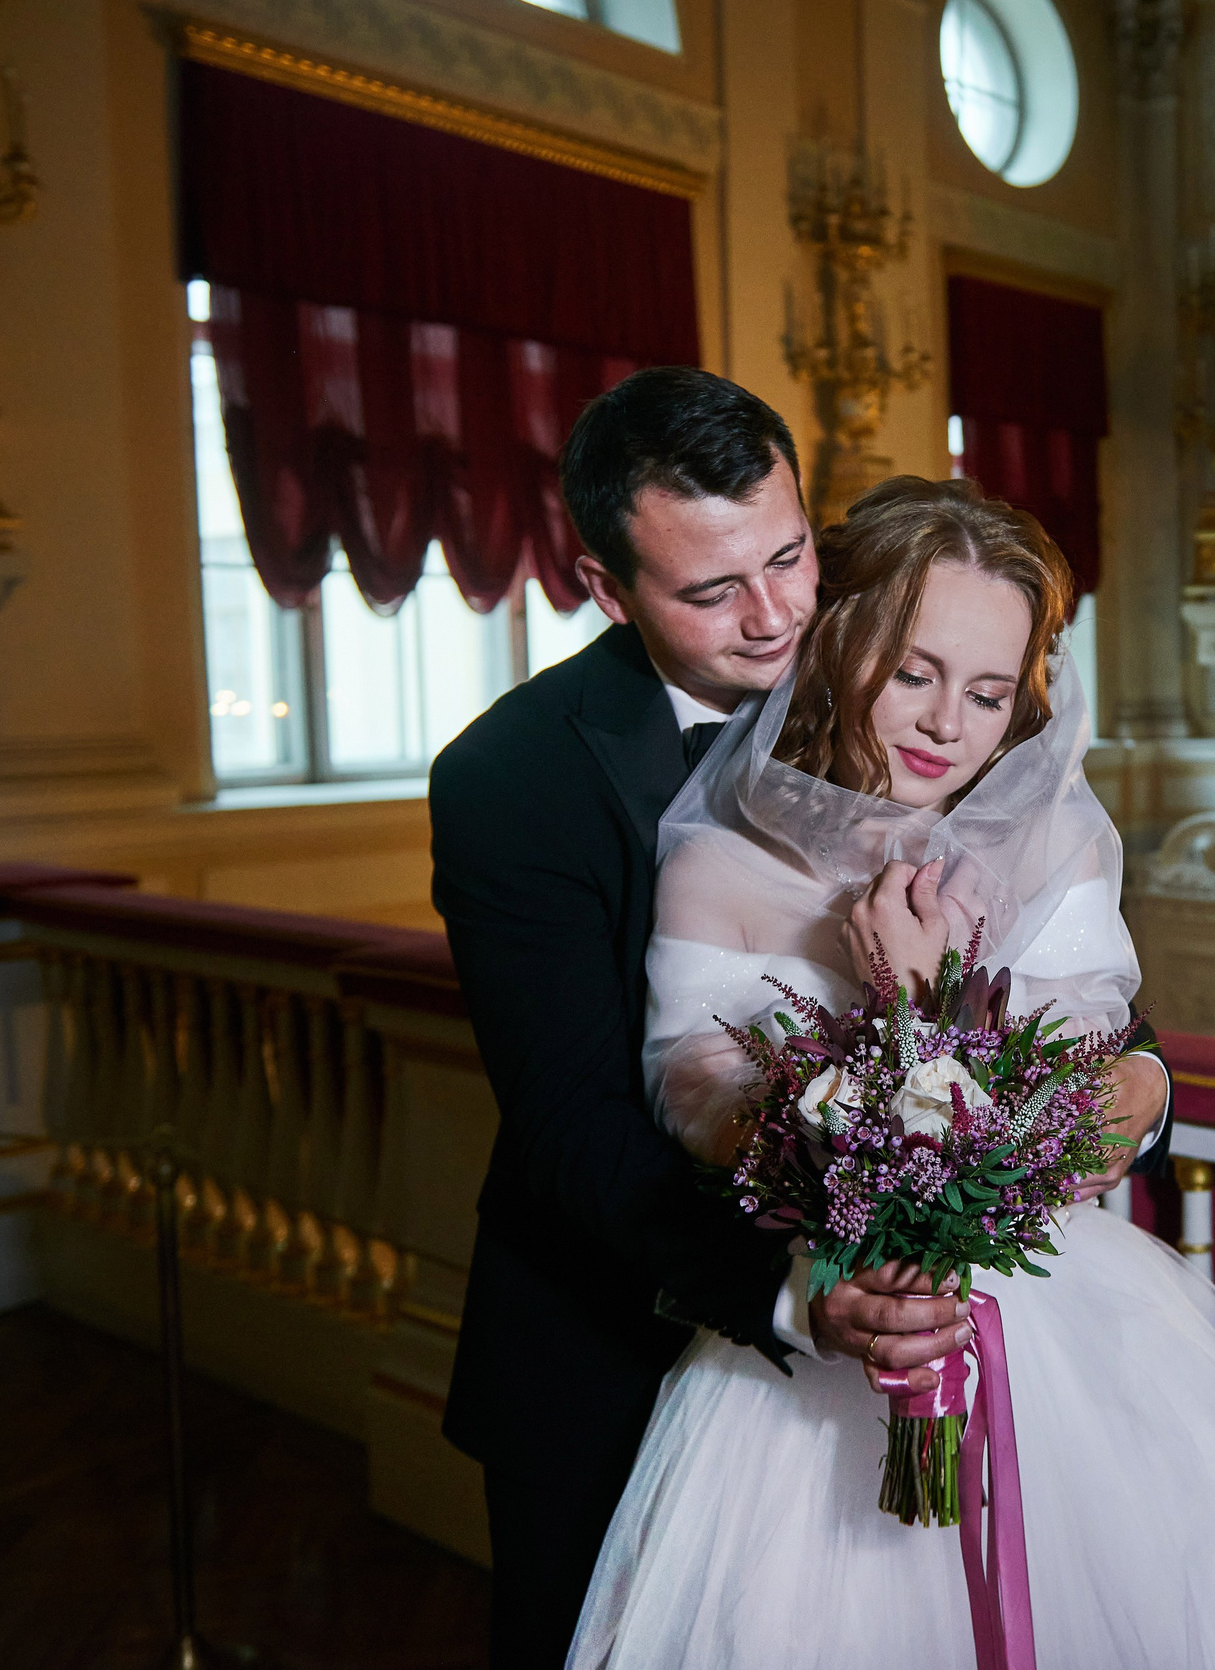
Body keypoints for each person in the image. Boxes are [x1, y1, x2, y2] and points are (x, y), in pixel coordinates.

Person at [428, 368, 1176, 1668]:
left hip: (966, 1332)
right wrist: (799, 1296)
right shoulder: (514, 779)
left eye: (789, 558)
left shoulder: (941, 701)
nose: (776, 616)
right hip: (627, 1345)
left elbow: (1092, 1007)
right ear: (609, 588)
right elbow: (571, 1126)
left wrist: (1151, 1086)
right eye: (713, 590)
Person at [565, 477, 1215, 1669]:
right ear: (839, 647)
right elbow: (693, 1094)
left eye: (990, 691)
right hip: (823, 1333)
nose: (950, 722)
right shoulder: (721, 859)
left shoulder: (1054, 838)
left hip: (1059, 1332)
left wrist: (925, 1010)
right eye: (914, 673)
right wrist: (850, 1105)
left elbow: (1091, 1085)